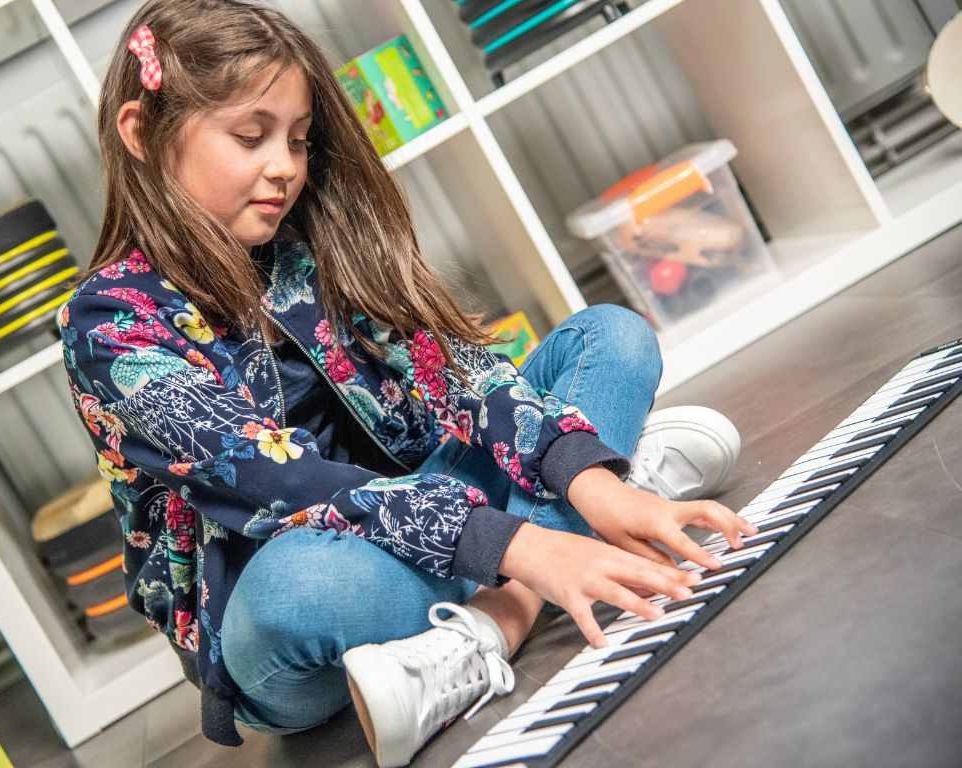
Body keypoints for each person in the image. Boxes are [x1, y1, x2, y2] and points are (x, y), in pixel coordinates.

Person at [57, 1, 756, 765]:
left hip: (431, 515)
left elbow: (457, 375)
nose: (285, 166)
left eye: (298, 139)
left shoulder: (305, 250)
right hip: (295, 594)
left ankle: (522, 588)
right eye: (250, 136)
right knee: (297, 589)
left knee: (609, 336)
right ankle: (544, 557)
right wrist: (520, 540)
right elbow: (277, 482)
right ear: (141, 135)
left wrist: (588, 483)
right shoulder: (108, 324)